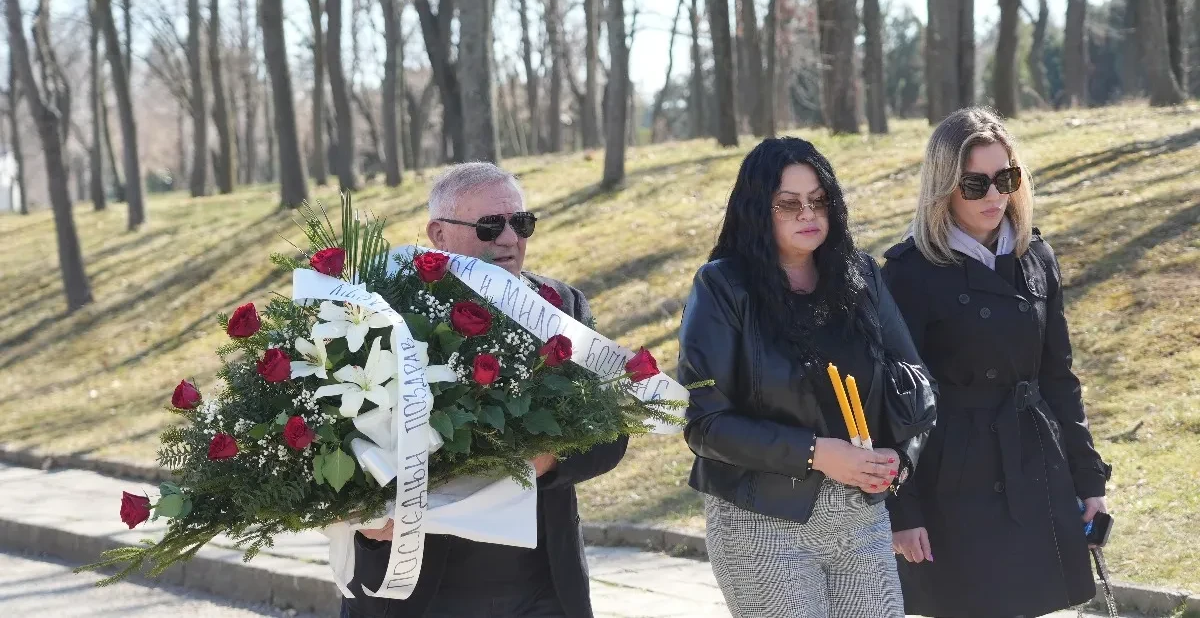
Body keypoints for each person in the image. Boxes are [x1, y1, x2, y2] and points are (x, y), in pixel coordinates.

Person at [341, 162, 629, 618]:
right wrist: (359, 512)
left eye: (521, 222)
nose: (510, 239)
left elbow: (612, 429)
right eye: (490, 225)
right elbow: (329, 434)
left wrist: (550, 461)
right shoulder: (376, 313)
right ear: (438, 233)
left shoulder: (560, 306)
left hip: (541, 590)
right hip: (415, 585)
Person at [677, 137, 932, 617]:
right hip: (761, 519)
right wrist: (816, 453)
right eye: (788, 204)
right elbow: (704, 424)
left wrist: (899, 459)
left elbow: (917, 386)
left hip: (859, 518)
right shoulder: (722, 285)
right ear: (757, 209)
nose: (807, 213)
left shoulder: (859, 274)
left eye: (819, 200)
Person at [883, 107, 1111, 618]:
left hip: (1035, 458)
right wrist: (904, 508)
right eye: (975, 184)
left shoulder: (1036, 257)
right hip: (955, 476)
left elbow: (1058, 378)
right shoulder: (911, 272)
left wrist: (1088, 480)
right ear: (944, 186)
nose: (994, 196)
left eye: (1006, 178)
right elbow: (894, 404)